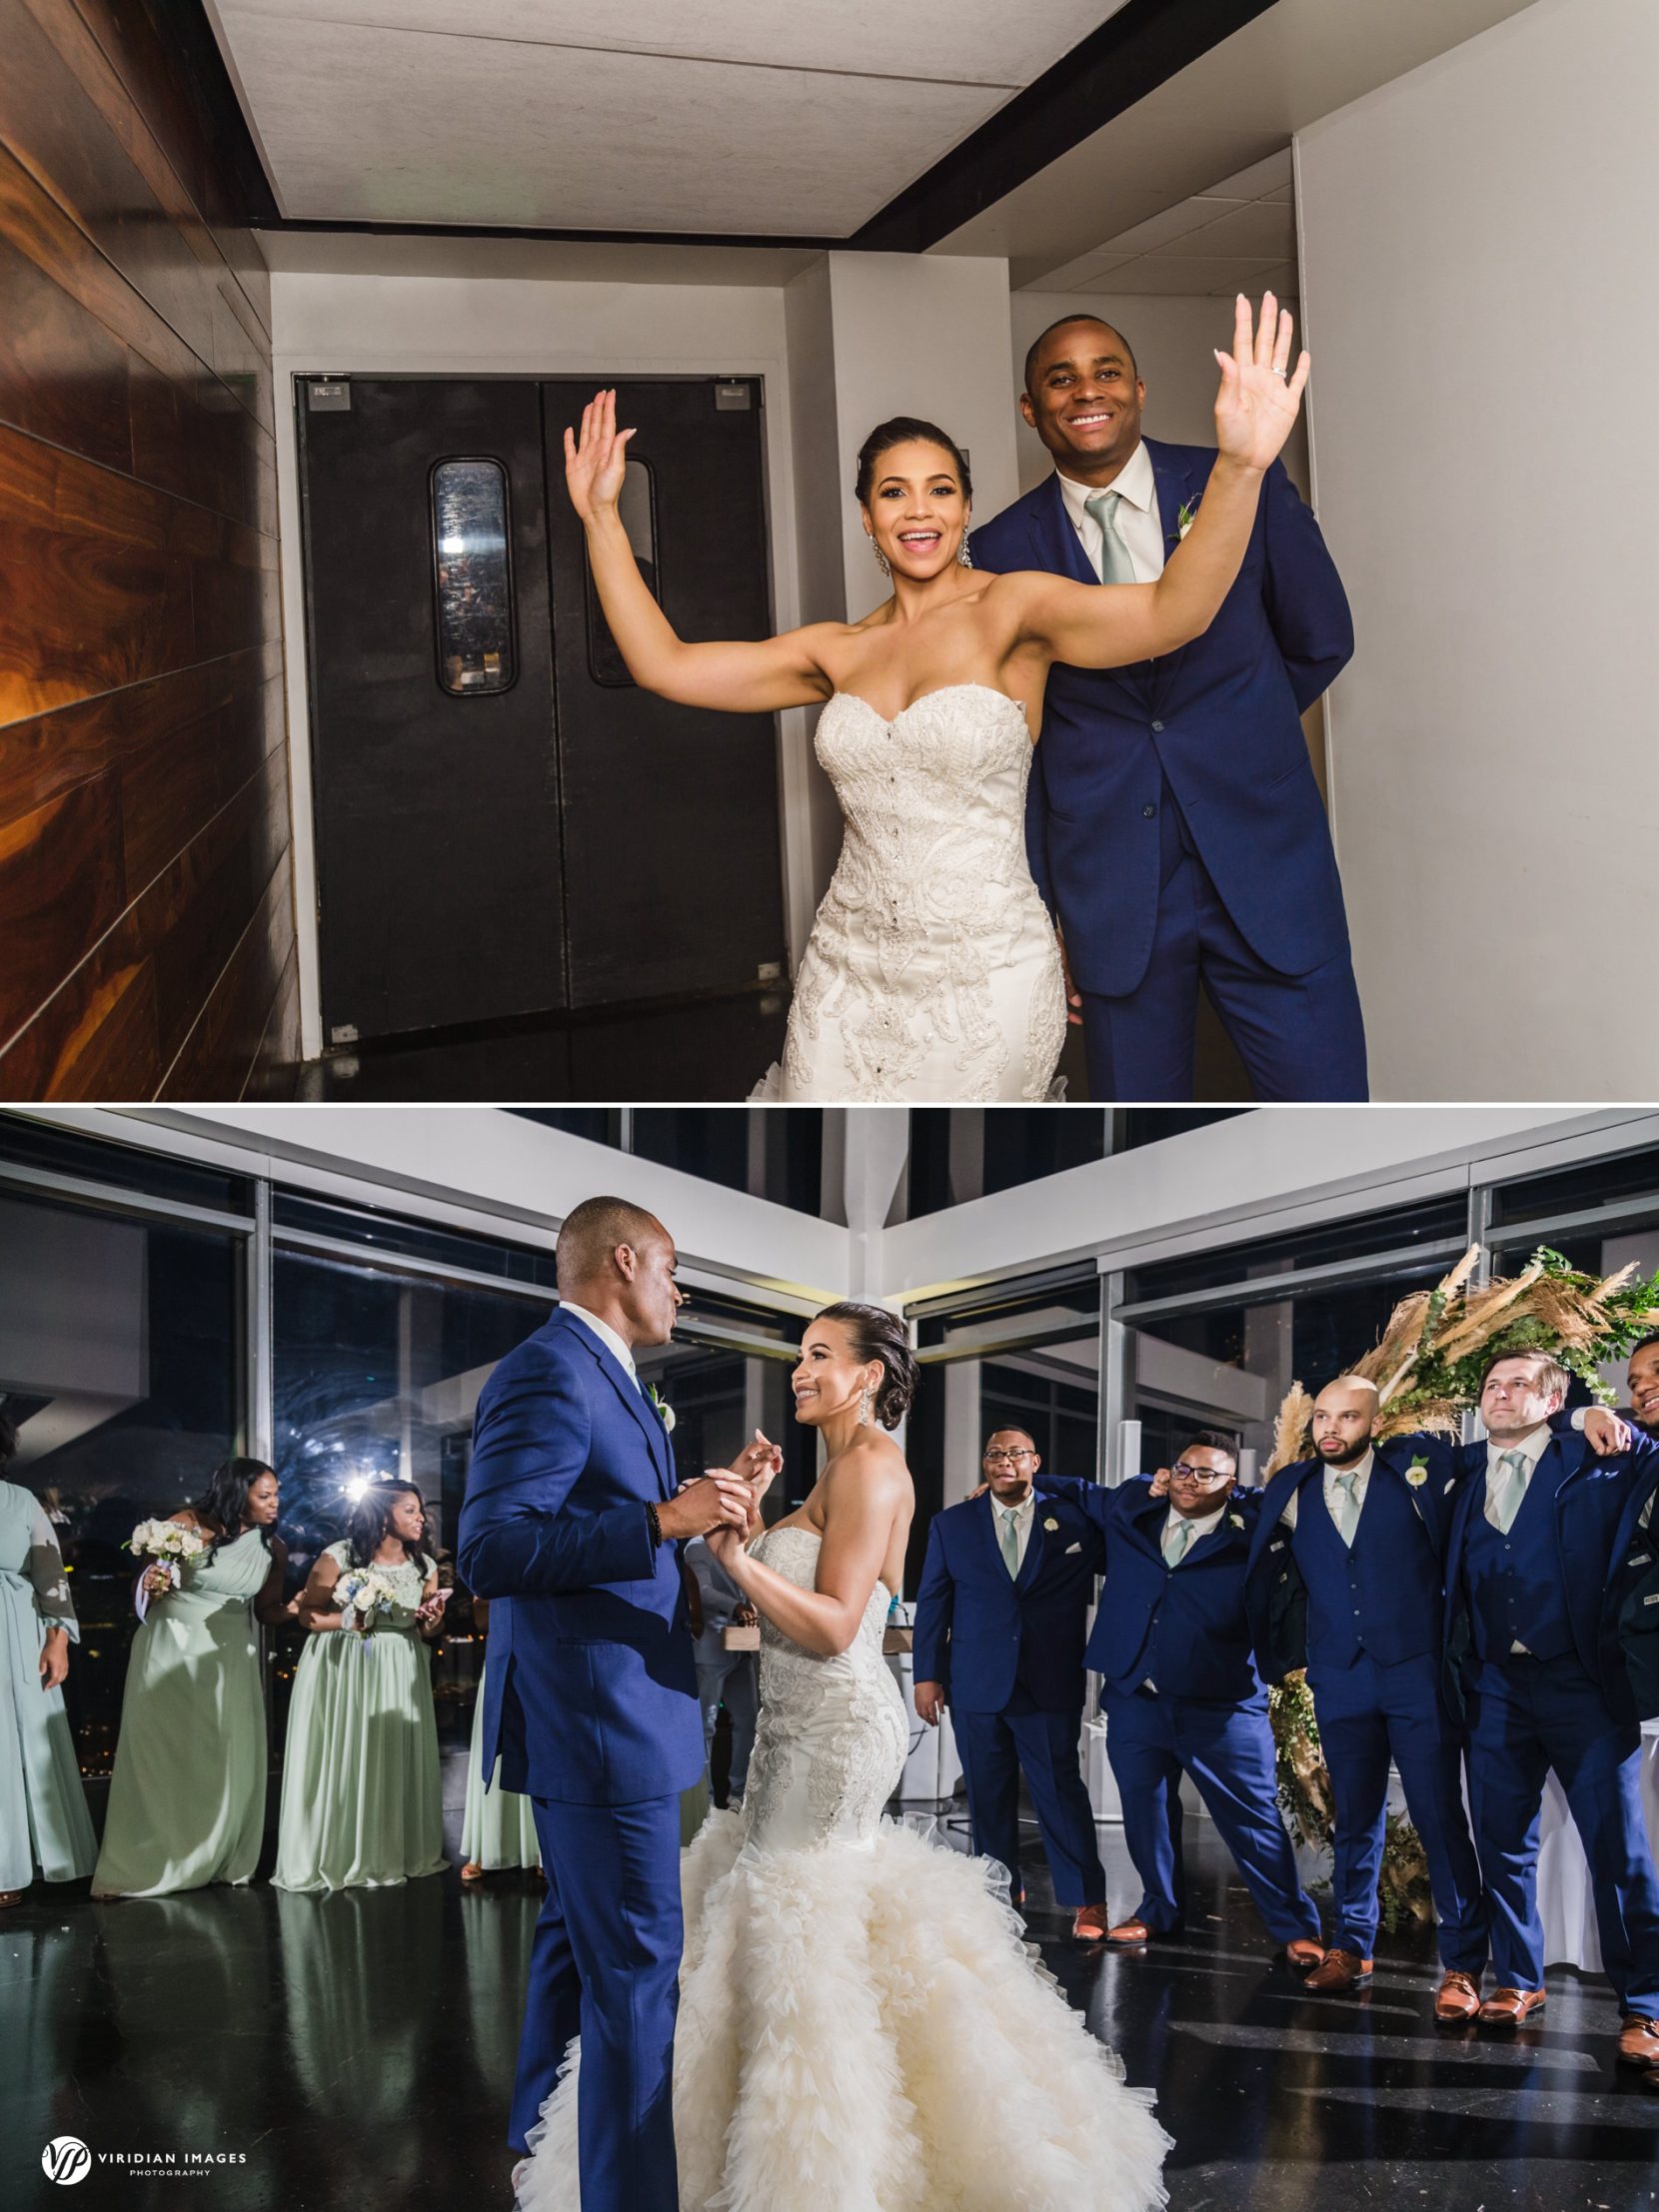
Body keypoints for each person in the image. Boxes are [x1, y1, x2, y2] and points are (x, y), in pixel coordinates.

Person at [564, 295, 1311, 1102]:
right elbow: (665, 665)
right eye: (894, 493)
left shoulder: (1014, 609)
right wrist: (602, 517)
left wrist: (1240, 468)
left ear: (965, 508)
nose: (919, 510)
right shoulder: (834, 650)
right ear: (867, 517)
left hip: (986, 974)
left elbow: (1174, 612)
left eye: (941, 490)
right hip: (847, 973)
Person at [514, 1304, 1170, 2212]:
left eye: (820, 1354)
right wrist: (751, 1510)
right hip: (793, 1729)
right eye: (799, 1353)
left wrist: (737, 1559)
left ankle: (825, 2163)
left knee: (799, 1914)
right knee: (790, 1910)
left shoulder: (871, 1465)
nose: (799, 1369)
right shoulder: (839, 1467)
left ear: (869, 1376)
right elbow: (810, 1585)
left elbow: (832, 1626)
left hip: (835, 1731)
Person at [456, 1196, 780, 2204]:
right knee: (638, 1968)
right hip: (600, 1722)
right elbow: (490, 1551)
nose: (680, 1293)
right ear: (626, 1260)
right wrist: (661, 1518)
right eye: (674, 1271)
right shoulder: (550, 1370)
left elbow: (614, 1529)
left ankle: (541, 2140)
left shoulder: (607, 1376)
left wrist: (698, 1512)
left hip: (613, 1710)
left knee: (575, 1940)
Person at [972, 313, 1363, 1103]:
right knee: (1137, 1132)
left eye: (1107, 371)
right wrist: (1043, 909)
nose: (1087, 391)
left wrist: (1238, 730)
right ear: (1029, 408)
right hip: (1112, 892)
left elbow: (1321, 637)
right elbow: (1019, 750)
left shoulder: (1240, 479)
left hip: (1268, 863)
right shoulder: (997, 551)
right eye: (1060, 378)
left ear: (1140, 389)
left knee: (1329, 1110)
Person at [1245, 1378, 1495, 2014]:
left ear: (1375, 1424)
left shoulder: (1415, 1470)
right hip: (1340, 1676)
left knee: (1439, 1816)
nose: (1331, 1428)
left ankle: (1463, 1965)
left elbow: (1490, 1452)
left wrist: (1581, 1421)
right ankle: (1351, 1946)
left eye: (1348, 1417)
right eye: (1323, 1417)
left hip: (1416, 1673)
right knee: (1354, 1818)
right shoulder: (1290, 1488)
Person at [1443, 1351, 1659, 2067]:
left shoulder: (1600, 1452)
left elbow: (1648, 1445)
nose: (1500, 1395)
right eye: (1491, 1385)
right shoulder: (1462, 1470)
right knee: (1501, 1843)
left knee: (1617, 1851)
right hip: (1494, 1687)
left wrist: (1588, 1411)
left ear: (1553, 1399)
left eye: (1519, 1385)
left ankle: (1647, 2003)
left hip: (1584, 1687)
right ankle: (1518, 1979)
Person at [1036, 1434, 1324, 1965]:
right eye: (1184, 1469)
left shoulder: (1254, 1528)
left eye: (1207, 1474)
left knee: (1252, 1821)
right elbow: (1076, 1490)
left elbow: (1295, 1508)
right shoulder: (1133, 1509)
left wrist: (1247, 1496)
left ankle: (1295, 1927)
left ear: (1231, 1485)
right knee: (1145, 1813)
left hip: (1223, 1706)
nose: (1191, 1480)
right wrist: (1017, 1481)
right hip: (1136, 1697)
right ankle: (1157, 1910)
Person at [911, 1426, 1112, 1938]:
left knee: (1060, 1791)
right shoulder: (951, 1524)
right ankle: (998, 1889)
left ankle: (1086, 1898)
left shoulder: (1074, 1521)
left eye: (1016, 1454)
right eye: (995, 1454)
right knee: (986, 1794)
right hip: (976, 1681)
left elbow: (1119, 1521)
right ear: (984, 1463)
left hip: (1049, 1681)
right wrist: (928, 1675)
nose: (1004, 1461)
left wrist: (1056, 1485)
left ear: (1035, 1462)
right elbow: (934, 1602)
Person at [93, 1458, 295, 1900]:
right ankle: (143, 1864)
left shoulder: (273, 1548)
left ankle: (211, 1855)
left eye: (277, 1494)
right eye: (264, 1495)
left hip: (228, 1658)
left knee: (220, 1756)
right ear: (236, 1493)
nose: (275, 1503)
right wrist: (153, 1582)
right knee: (163, 1754)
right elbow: (143, 1587)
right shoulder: (184, 1525)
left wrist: (296, 1610)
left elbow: (266, 1611)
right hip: (170, 1648)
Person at [272, 1478, 449, 1893]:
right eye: (410, 1510)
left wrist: (433, 1621)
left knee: (391, 1754)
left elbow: (428, 1631)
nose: (421, 1519)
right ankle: (342, 1849)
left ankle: (391, 1849)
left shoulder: (425, 1566)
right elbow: (309, 1615)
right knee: (351, 1751)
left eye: (420, 1511)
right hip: (348, 1664)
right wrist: (351, 1619)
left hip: (401, 1665)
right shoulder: (339, 1556)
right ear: (383, 1515)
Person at [0, 1408, 96, 1907]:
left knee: (17, 1744)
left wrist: (57, 1640)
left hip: (15, 1632)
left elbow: (52, 1577)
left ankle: (8, 1868)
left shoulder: (21, 1502)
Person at [459, 1597, 543, 1882]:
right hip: (505, 1646)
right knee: (495, 1751)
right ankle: (489, 1847)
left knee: (538, 1750)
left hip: (545, 1648)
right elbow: (481, 1619)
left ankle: (541, 1850)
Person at [684, 1534, 760, 1807]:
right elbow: (703, 1590)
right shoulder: (697, 1546)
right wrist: (735, 1606)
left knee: (749, 1721)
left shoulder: (741, 1542)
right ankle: (705, 1800)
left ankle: (738, 1793)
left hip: (741, 1646)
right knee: (706, 1726)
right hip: (711, 1649)